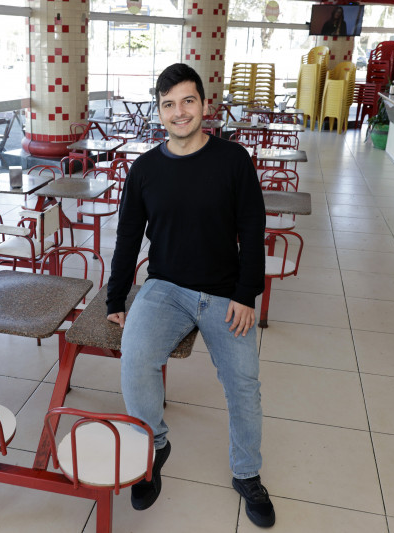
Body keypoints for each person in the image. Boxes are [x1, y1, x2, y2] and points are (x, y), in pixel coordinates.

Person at [105, 64, 274, 528]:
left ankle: (246, 473)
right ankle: (154, 446)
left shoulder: (233, 160)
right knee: (135, 359)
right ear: (159, 112)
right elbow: (127, 239)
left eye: (187, 101)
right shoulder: (144, 169)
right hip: (165, 288)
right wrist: (116, 298)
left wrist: (246, 293)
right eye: (168, 104)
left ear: (204, 104)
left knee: (243, 385)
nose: (179, 112)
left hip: (225, 294)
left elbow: (252, 229)